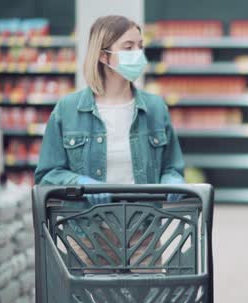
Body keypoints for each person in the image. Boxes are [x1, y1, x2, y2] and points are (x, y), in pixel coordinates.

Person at [35, 15, 185, 268]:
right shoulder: (68, 110)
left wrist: (173, 179)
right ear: (103, 56)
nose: (137, 54)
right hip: (88, 234)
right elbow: (46, 175)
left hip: (144, 232)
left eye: (140, 46)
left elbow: (171, 166)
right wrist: (80, 182)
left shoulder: (155, 108)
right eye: (128, 48)